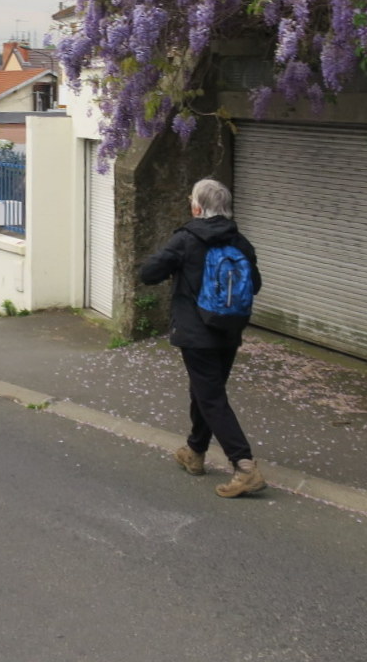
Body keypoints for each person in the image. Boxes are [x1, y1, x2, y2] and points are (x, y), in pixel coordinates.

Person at [139, 177, 266, 498]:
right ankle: (194, 452)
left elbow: (148, 274)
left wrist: (177, 268)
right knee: (205, 391)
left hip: (197, 333)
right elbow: (255, 284)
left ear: (197, 207)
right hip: (229, 329)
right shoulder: (240, 242)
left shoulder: (186, 239)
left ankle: (244, 466)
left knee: (210, 397)